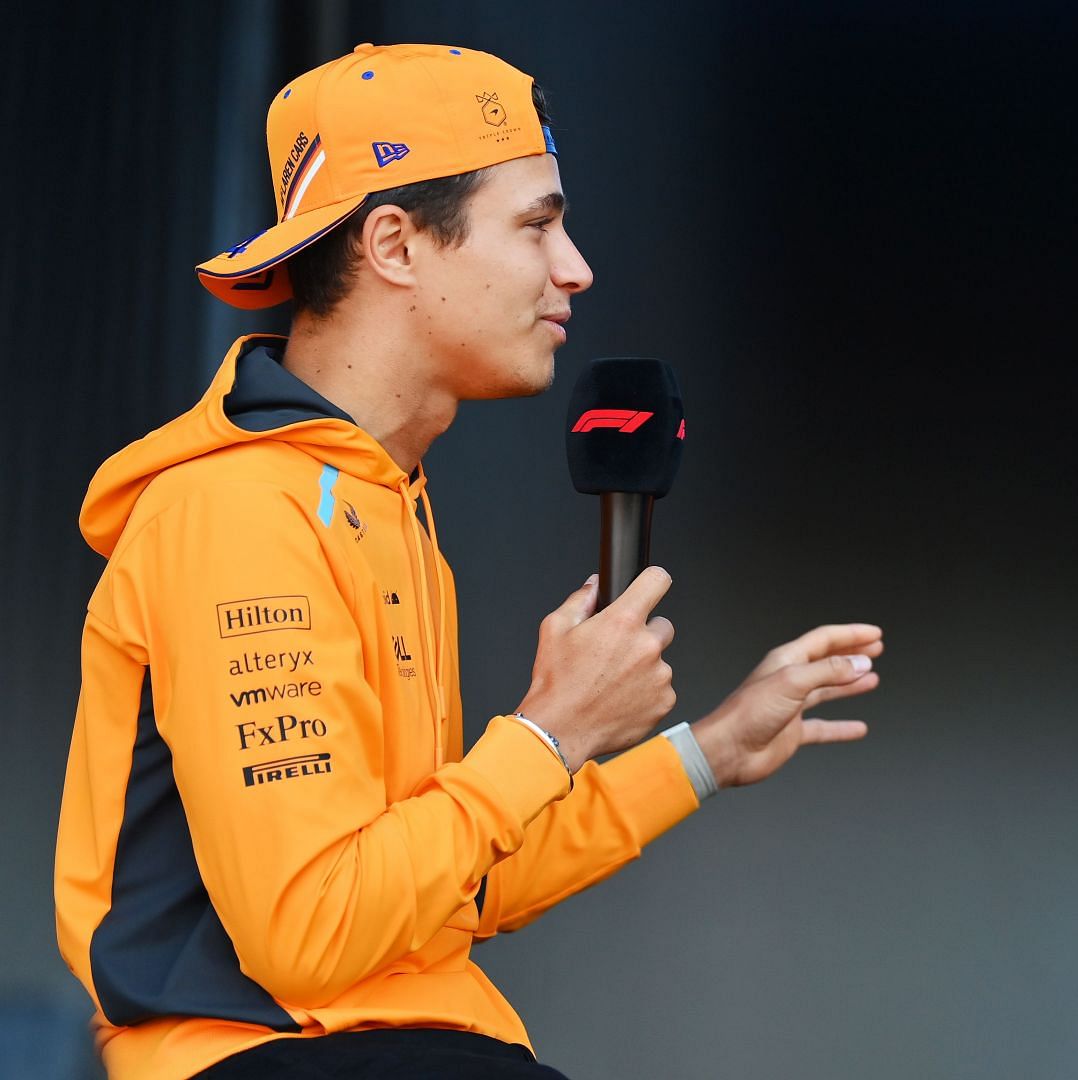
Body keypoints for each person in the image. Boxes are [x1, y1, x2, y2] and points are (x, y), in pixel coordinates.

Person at [53, 43, 883, 1080]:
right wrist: (549, 730)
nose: (575, 267)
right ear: (395, 244)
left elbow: (453, 881)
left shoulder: (380, 500)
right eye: (537, 224)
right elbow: (310, 936)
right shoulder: (242, 512)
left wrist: (705, 751)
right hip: (256, 1054)